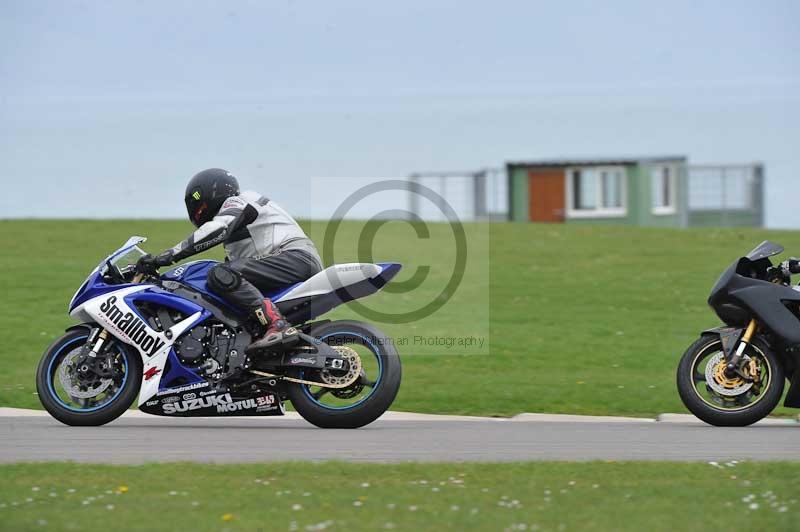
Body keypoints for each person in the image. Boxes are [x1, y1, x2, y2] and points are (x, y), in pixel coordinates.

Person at [137, 168, 322, 354]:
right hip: (288, 261)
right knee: (225, 284)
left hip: (295, 257)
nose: (197, 210)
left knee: (222, 273)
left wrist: (168, 256)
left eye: (197, 202)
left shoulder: (238, 201)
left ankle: (278, 324)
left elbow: (216, 229)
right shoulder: (237, 227)